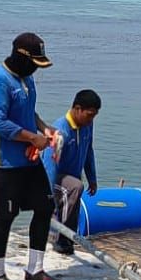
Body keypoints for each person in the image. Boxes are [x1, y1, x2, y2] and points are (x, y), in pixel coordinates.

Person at [0, 32, 66, 280]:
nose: (36, 70)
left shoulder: (26, 80)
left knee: (45, 206)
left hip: (27, 160)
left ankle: (35, 270)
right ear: (20, 57)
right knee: (4, 217)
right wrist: (32, 138)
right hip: (1, 161)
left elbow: (27, 111)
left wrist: (44, 128)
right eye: (34, 64)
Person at [42, 89, 101, 256]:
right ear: (77, 108)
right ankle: (60, 237)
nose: (91, 120)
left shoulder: (87, 126)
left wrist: (92, 178)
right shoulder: (62, 131)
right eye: (89, 115)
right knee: (74, 187)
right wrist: (49, 196)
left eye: (94, 116)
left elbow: (89, 150)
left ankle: (68, 239)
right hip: (53, 178)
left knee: (75, 190)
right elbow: (49, 165)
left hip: (72, 178)